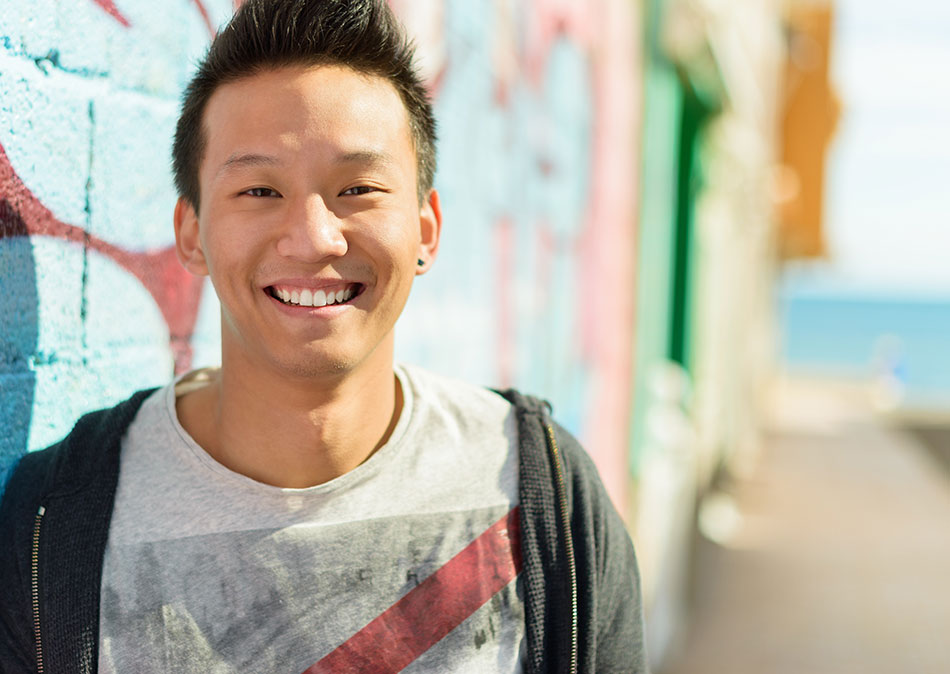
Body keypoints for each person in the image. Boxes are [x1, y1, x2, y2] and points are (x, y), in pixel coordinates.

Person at [0, 1, 646, 672]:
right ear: (192, 233)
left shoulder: (544, 496)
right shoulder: (60, 518)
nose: (313, 239)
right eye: (259, 192)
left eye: (358, 188)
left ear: (426, 228)